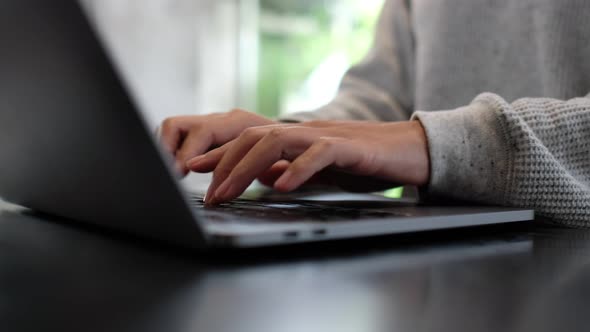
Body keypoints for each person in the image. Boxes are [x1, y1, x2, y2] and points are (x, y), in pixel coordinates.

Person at [158, 0, 590, 226]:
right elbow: (384, 98)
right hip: (438, 271)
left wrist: (441, 143)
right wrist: (287, 137)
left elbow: (415, 136)